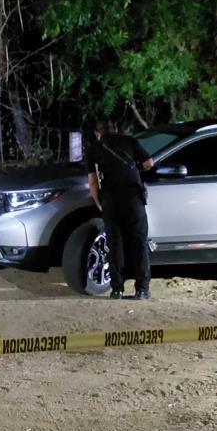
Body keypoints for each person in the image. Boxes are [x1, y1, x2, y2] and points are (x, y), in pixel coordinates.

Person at [86, 120, 155, 300]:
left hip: (111, 201)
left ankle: (117, 290)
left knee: (114, 245)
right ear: (116, 128)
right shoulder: (130, 141)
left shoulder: (94, 149)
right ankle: (142, 289)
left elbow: (92, 182)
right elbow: (149, 162)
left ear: (97, 133)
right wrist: (137, 169)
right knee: (139, 243)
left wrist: (99, 203)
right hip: (133, 199)